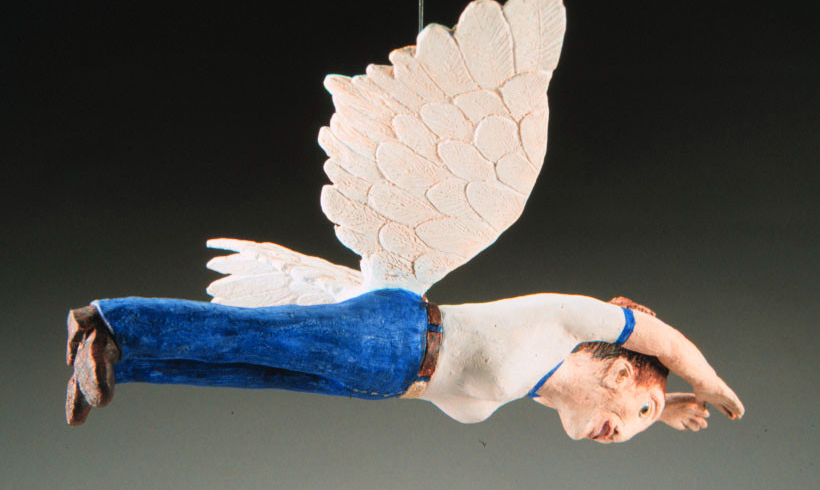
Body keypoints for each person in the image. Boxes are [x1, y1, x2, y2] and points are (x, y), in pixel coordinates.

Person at [65, 289, 743, 442]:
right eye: (638, 411)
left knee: (254, 370)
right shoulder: (564, 323)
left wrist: (665, 407)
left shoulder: (539, 386)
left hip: (384, 378)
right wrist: (705, 380)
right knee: (255, 335)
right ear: (619, 374)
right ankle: (106, 319)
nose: (623, 433)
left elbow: (612, 396)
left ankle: (112, 366)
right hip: (397, 337)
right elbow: (659, 339)